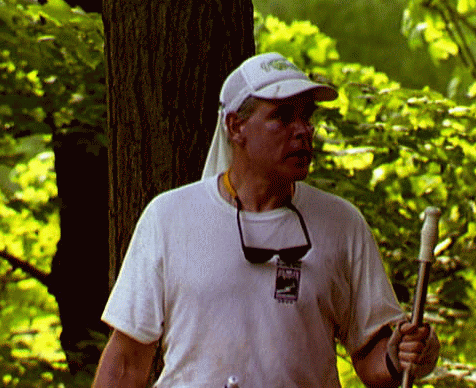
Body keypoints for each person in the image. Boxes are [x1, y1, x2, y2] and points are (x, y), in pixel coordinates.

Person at [92, 52, 440, 387]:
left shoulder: (341, 224)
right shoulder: (169, 219)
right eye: (283, 116)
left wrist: (400, 355)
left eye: (307, 116)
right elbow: (124, 366)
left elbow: (371, 358)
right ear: (236, 126)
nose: (303, 130)